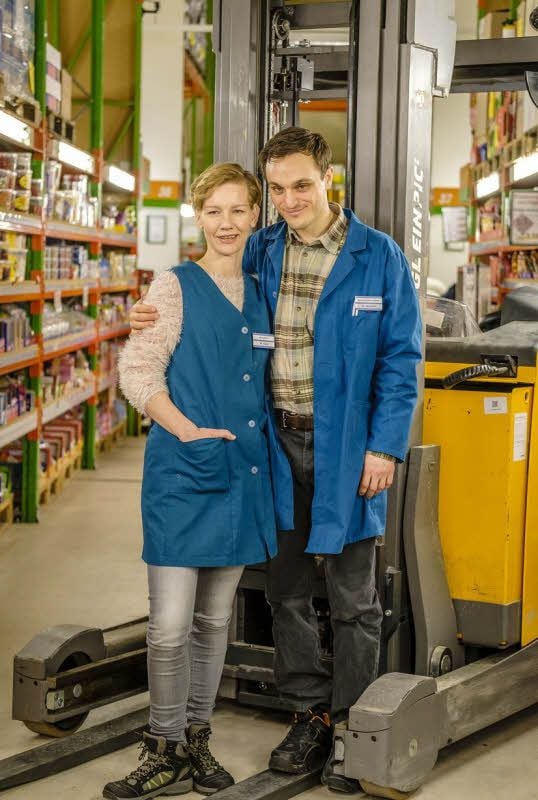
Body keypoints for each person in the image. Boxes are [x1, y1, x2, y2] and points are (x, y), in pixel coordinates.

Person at [129, 128, 422, 795]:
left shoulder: (378, 257)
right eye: (280, 188)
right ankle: (308, 714)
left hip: (349, 449)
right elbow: (207, 295)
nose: (291, 200)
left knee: (352, 597)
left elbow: (403, 360)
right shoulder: (260, 249)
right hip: (274, 449)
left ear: (328, 180)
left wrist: (383, 445)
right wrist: (146, 311)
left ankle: (353, 726)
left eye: (303, 185)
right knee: (287, 590)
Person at [105, 163, 277, 800]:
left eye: (238, 211)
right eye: (214, 212)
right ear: (197, 217)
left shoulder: (264, 291)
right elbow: (138, 374)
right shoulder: (173, 288)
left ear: (255, 215)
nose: (227, 224)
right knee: (169, 626)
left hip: (243, 477)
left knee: (213, 624)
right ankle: (162, 743)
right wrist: (187, 430)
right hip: (185, 471)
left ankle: (195, 740)